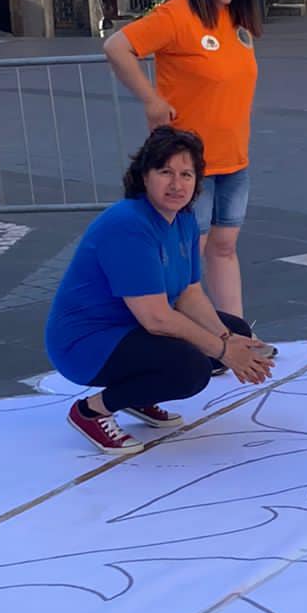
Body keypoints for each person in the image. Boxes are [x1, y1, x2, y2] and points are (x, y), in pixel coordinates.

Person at [46, 126, 274, 456]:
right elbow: (157, 319)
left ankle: (138, 395)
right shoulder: (128, 224)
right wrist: (224, 352)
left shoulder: (183, 220)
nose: (177, 184)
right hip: (87, 343)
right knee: (191, 369)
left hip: (130, 328)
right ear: (144, 176)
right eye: (165, 172)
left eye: (186, 174)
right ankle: (92, 411)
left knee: (234, 331)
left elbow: (189, 293)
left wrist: (227, 339)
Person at [104, 0, 263, 322]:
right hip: (190, 165)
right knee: (189, 254)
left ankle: (235, 332)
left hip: (234, 159)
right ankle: (195, 337)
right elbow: (116, 46)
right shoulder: (177, 15)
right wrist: (151, 98)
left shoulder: (236, 20)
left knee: (224, 247)